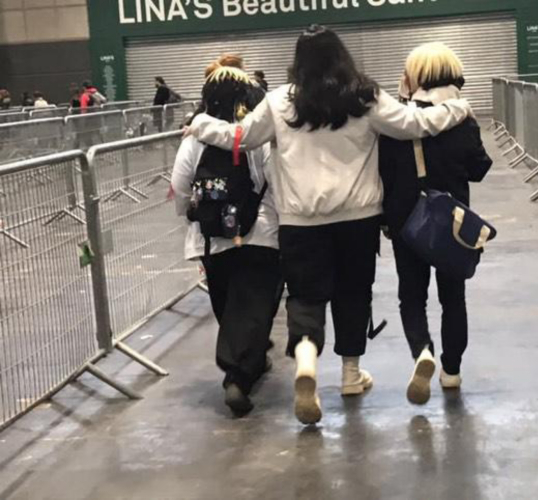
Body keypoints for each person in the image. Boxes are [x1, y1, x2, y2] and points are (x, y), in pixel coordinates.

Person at [186, 24, 471, 425]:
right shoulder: (365, 96)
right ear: (341, 55)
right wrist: (458, 108)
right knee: (353, 294)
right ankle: (351, 376)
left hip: (300, 222)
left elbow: (240, 137)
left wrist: (200, 124)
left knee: (305, 298)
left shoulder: (279, 101)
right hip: (358, 219)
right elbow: (414, 124)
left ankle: (306, 361)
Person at [379, 43, 492, 404]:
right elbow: (479, 169)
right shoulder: (462, 118)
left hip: (405, 219)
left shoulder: (396, 121)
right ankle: (452, 370)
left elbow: (383, 173)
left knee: (411, 296)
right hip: (452, 221)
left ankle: (422, 353)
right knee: (453, 298)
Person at [171, 65, 283, 416]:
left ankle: (249, 362)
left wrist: (190, 213)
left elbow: (180, 185)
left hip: (212, 239)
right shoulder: (257, 135)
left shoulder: (195, 136)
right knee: (255, 304)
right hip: (259, 234)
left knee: (227, 305)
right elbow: (275, 180)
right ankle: (237, 374)